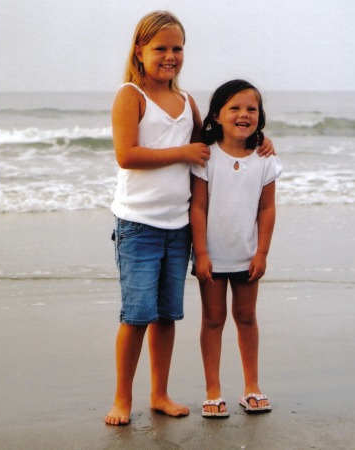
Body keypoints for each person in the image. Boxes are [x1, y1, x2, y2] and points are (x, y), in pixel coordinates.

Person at [105, 11, 276, 426]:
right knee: (137, 314)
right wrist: (182, 153)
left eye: (177, 48)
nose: (169, 55)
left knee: (167, 314)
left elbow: (212, 143)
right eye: (160, 48)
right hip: (139, 226)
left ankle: (159, 393)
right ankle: (122, 398)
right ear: (139, 52)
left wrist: (258, 139)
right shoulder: (131, 95)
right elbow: (126, 155)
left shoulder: (187, 103)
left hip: (178, 227)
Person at [190, 79, 282, 417]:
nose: (244, 115)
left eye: (251, 109)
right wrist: (200, 254)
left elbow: (267, 208)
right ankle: (212, 390)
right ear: (216, 115)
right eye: (235, 108)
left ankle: (251, 387)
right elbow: (197, 207)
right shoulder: (205, 157)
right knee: (213, 319)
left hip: (248, 255)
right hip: (211, 257)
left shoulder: (265, 159)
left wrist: (262, 253)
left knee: (246, 317)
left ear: (260, 116)